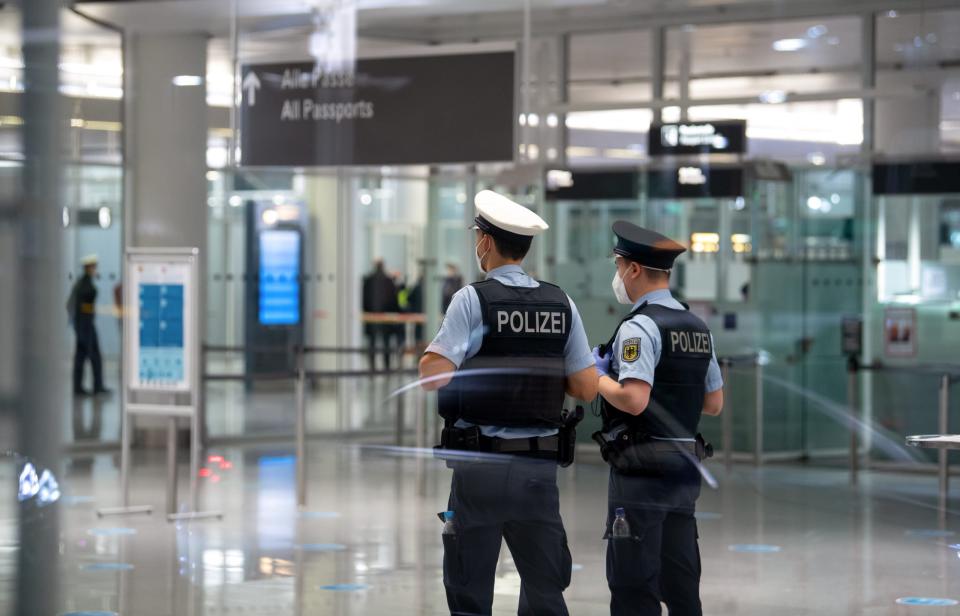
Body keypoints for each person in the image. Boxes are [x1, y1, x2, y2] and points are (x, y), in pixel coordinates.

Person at [419, 190, 598, 616]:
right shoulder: (562, 303)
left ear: (485, 241)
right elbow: (587, 388)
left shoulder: (472, 299)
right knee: (544, 589)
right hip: (537, 471)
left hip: (480, 469)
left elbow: (433, 375)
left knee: (469, 588)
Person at [591, 221, 724, 616]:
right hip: (684, 471)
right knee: (681, 580)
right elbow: (714, 403)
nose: (617, 275)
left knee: (634, 584)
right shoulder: (698, 328)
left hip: (641, 472)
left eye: (618, 266)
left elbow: (633, 399)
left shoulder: (640, 327)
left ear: (633, 269)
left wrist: (597, 376)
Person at [67, 254, 109, 396]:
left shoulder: (82, 283)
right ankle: (97, 387)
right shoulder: (84, 285)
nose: (95, 269)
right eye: (93, 266)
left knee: (81, 357)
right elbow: (80, 305)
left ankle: (79, 388)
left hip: (83, 324)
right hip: (85, 325)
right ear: (88, 267)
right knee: (94, 356)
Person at [361, 259, 400, 370]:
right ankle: (387, 366)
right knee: (386, 342)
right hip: (386, 317)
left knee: (372, 343)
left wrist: (367, 312)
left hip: (371, 317)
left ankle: (372, 366)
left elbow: (364, 299)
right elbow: (394, 300)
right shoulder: (389, 281)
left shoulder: (368, 281)